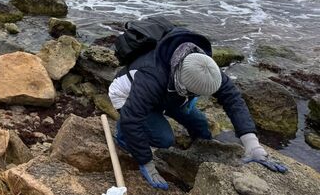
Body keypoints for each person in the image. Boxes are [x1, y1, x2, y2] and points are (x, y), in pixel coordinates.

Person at [108, 24, 287, 190]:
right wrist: (145, 161)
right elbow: (133, 118)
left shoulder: (204, 65)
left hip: (170, 95)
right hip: (127, 95)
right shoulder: (152, 76)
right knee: (164, 139)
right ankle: (122, 136)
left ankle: (193, 152)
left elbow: (233, 99)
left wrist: (252, 144)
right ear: (183, 85)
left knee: (201, 127)